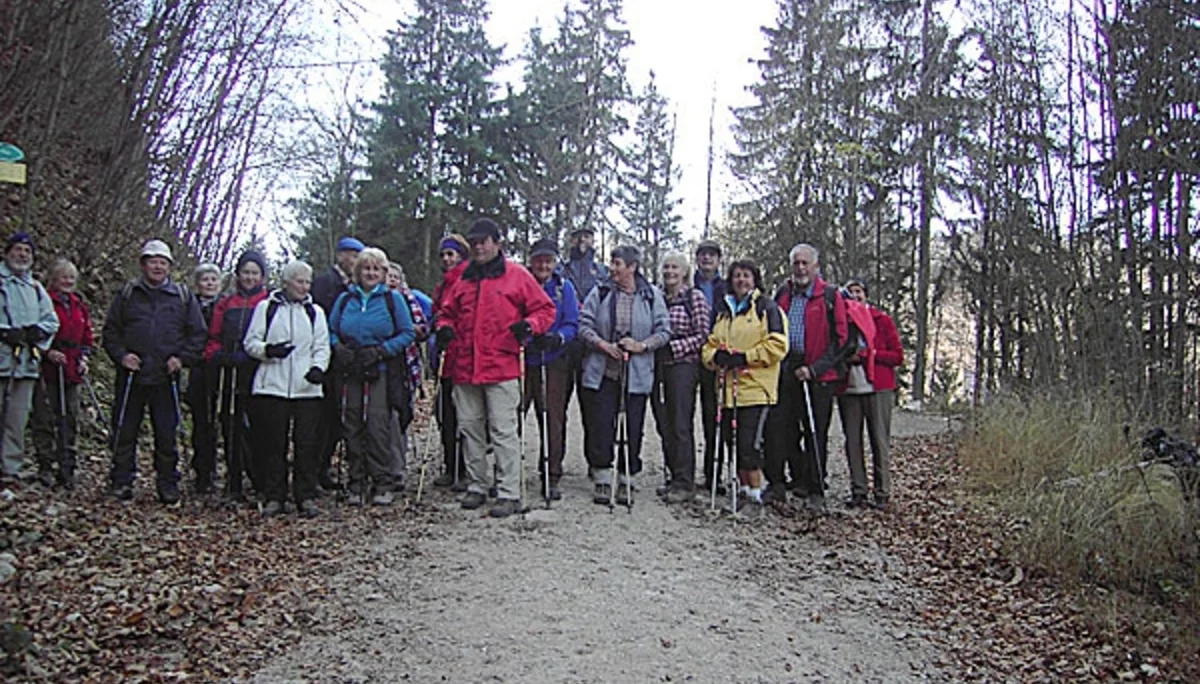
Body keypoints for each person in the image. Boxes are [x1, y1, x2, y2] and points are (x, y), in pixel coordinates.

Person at [435, 219, 556, 518]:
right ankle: (477, 485)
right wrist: (444, 327)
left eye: (484, 241)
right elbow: (445, 313)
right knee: (471, 428)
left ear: (497, 243)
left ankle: (509, 491)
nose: (479, 246)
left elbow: (545, 309)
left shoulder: (516, 275)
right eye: (475, 241)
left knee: (503, 430)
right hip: (465, 365)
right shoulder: (462, 279)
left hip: (502, 364)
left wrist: (530, 326)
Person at [102, 239, 206, 503]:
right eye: (152, 261)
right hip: (132, 376)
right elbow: (111, 331)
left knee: (166, 433)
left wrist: (181, 359)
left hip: (165, 376)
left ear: (169, 266)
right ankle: (121, 480)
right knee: (125, 430)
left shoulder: (182, 297)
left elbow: (197, 334)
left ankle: (167, 483)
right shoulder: (127, 294)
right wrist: (122, 356)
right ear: (143, 264)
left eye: (162, 262)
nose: (157, 267)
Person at [578, 245, 670, 506]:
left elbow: (664, 331)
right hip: (604, 370)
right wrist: (602, 345)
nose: (613, 268)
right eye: (612, 263)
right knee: (602, 423)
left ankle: (627, 476)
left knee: (633, 426)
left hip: (637, 372)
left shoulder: (652, 295)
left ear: (632, 267)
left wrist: (641, 346)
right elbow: (584, 325)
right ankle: (603, 477)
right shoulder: (602, 292)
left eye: (618, 263)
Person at [328, 247, 415, 506]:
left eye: (376, 269)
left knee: (378, 425)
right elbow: (331, 330)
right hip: (351, 369)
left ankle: (382, 481)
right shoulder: (346, 300)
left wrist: (382, 351)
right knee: (352, 423)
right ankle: (356, 480)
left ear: (384, 273)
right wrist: (338, 348)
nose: (371, 273)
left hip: (381, 370)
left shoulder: (393, 300)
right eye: (366, 268)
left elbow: (407, 333)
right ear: (358, 271)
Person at [244, 260, 330, 517]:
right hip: (272, 385)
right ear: (287, 282)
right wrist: (268, 351)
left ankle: (304, 495)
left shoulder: (315, 312)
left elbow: (322, 346)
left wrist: (318, 369)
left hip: (307, 388)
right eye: (299, 281)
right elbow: (250, 342)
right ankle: (274, 495)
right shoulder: (266, 308)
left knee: (306, 443)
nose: (304, 287)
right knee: (273, 443)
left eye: (307, 282)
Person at [765, 243, 847, 510]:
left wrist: (815, 369)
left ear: (815, 267)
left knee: (815, 432)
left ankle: (815, 487)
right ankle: (783, 482)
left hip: (818, 374)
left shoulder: (830, 296)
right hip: (786, 368)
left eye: (805, 264)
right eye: (796, 263)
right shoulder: (783, 294)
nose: (800, 268)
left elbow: (841, 341)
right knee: (781, 429)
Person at [701, 260, 787, 508]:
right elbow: (709, 344)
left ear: (755, 279)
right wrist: (715, 358)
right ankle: (743, 489)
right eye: (737, 276)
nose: (741, 280)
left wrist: (745, 357)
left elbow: (778, 345)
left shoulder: (766, 308)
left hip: (756, 389)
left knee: (749, 445)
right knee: (733, 442)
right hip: (728, 390)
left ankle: (755, 493)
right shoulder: (723, 311)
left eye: (746, 276)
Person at [204, 250, 269, 502]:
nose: (249, 277)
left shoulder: (267, 301)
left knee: (257, 426)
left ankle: (259, 478)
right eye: (245, 272)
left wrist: (253, 355)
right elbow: (213, 335)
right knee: (230, 424)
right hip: (229, 371)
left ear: (262, 276)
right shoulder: (226, 302)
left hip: (258, 371)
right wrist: (217, 355)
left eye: (254, 273)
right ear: (238, 275)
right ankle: (234, 479)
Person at [837, 277, 903, 510]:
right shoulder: (841, 322)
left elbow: (897, 356)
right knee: (852, 441)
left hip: (878, 388)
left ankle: (882, 493)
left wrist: (868, 355)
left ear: (866, 295)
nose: (855, 296)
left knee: (879, 439)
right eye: (850, 293)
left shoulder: (881, 320)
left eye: (859, 292)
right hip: (849, 388)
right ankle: (858, 490)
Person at [521, 238, 579, 501]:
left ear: (555, 262)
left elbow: (572, 322)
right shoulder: (520, 283)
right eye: (538, 260)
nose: (543, 265)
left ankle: (552, 473)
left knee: (552, 417)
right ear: (531, 260)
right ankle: (508, 473)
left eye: (548, 260)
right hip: (522, 358)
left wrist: (558, 338)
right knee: (513, 416)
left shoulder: (563, 288)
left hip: (553, 360)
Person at [651, 251, 710, 503]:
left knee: (680, 422)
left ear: (684, 272)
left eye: (675, 268)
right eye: (666, 267)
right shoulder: (656, 297)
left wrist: (674, 347)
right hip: (658, 364)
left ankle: (685, 481)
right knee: (663, 422)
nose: (670, 272)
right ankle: (672, 474)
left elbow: (703, 334)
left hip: (683, 366)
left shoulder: (694, 297)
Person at [0, 233, 59, 487]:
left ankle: (10, 467)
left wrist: (38, 332)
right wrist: (4, 330)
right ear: (7, 252)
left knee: (17, 418)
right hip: (2, 357)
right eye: (18, 249)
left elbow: (51, 320)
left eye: (27, 251)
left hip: (25, 363)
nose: (22, 255)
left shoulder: (35, 288)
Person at [30, 259, 92, 489]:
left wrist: (84, 358)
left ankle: (67, 466)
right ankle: (45, 465)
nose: (67, 282)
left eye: (71, 278)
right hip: (48, 368)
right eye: (63, 277)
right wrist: (47, 351)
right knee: (45, 416)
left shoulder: (78, 305)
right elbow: (36, 329)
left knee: (71, 418)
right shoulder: (44, 300)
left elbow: (87, 335)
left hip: (72, 368)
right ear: (53, 279)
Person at [311, 235, 363, 492]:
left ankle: (324, 466)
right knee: (324, 417)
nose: (353, 261)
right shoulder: (324, 283)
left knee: (338, 419)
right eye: (350, 255)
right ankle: (317, 468)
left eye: (357, 256)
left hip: (347, 361)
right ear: (341, 256)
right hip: (326, 358)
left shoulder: (355, 287)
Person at [562, 226, 609, 475]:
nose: (583, 241)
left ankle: (596, 462)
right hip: (564, 348)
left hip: (592, 347)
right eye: (578, 236)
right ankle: (553, 463)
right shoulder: (561, 269)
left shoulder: (602, 272)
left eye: (588, 236)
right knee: (557, 408)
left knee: (594, 408)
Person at [430, 233, 469, 490]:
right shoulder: (441, 286)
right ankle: (450, 465)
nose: (446, 259)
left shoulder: (466, 281)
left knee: (464, 416)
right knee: (444, 414)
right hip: (444, 357)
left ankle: (466, 469)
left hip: (462, 358)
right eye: (443, 255)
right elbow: (436, 315)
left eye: (451, 254)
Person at [386, 261, 429, 491]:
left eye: (395, 275)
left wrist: (414, 330)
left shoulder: (411, 299)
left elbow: (425, 325)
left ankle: (397, 469)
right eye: (388, 274)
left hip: (405, 365)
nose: (391, 279)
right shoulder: (373, 299)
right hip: (379, 365)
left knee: (399, 416)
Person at [693, 239, 726, 494]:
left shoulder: (726, 288)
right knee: (679, 416)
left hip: (714, 358)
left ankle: (712, 474)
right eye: (703, 255)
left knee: (713, 416)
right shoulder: (685, 283)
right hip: (686, 356)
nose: (707, 260)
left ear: (718, 260)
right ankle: (679, 472)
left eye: (711, 256)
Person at [185, 263, 222, 493]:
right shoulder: (189, 306)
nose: (209, 284)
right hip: (197, 369)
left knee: (216, 423)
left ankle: (214, 469)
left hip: (219, 369)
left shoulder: (224, 307)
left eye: (213, 279)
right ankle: (201, 471)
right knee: (201, 423)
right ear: (197, 283)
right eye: (205, 279)